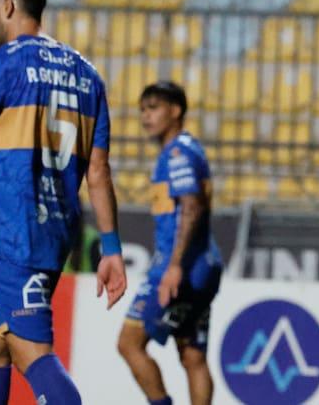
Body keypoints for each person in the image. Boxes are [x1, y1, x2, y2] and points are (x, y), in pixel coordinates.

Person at [0, 0, 127, 405]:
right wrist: (112, 249)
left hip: (11, 232)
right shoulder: (87, 75)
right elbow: (99, 171)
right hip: (54, 234)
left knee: (33, 354)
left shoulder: (1, 65)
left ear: (8, 7)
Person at [118, 81, 223, 405]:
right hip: (205, 264)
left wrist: (175, 266)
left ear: (175, 111)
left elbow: (190, 207)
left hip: (181, 267)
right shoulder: (189, 148)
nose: (146, 117)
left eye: (153, 108)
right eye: (142, 110)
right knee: (192, 355)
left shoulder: (177, 153)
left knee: (129, 343)